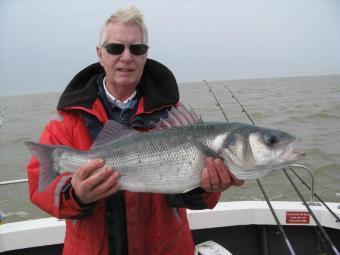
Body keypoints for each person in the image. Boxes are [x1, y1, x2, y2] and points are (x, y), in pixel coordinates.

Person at [26, 5, 244, 255]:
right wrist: (77, 195)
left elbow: (195, 195)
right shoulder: (68, 121)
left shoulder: (177, 118)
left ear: (145, 54)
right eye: (115, 48)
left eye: (137, 49)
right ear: (100, 54)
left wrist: (206, 187)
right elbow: (39, 186)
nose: (126, 57)